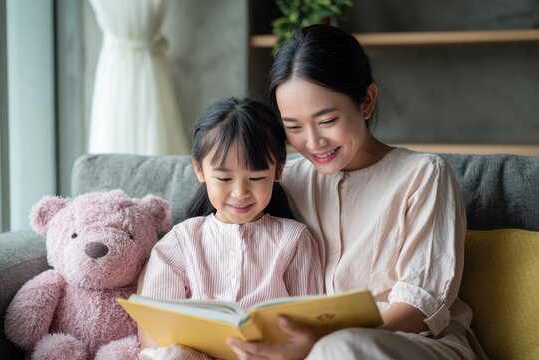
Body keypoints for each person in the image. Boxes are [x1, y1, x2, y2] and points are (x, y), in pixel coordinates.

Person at [226, 24, 487, 360]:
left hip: (416, 345)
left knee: (338, 348)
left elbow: (419, 307)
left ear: (366, 101)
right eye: (294, 128)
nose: (313, 142)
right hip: (303, 349)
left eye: (327, 120)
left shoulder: (423, 175)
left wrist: (317, 342)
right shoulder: (285, 180)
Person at [138, 97, 323, 360]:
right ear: (199, 170)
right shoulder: (180, 242)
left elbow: (310, 321)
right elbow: (155, 329)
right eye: (224, 178)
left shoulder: (293, 240)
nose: (240, 193)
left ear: (278, 171)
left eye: (256, 178)